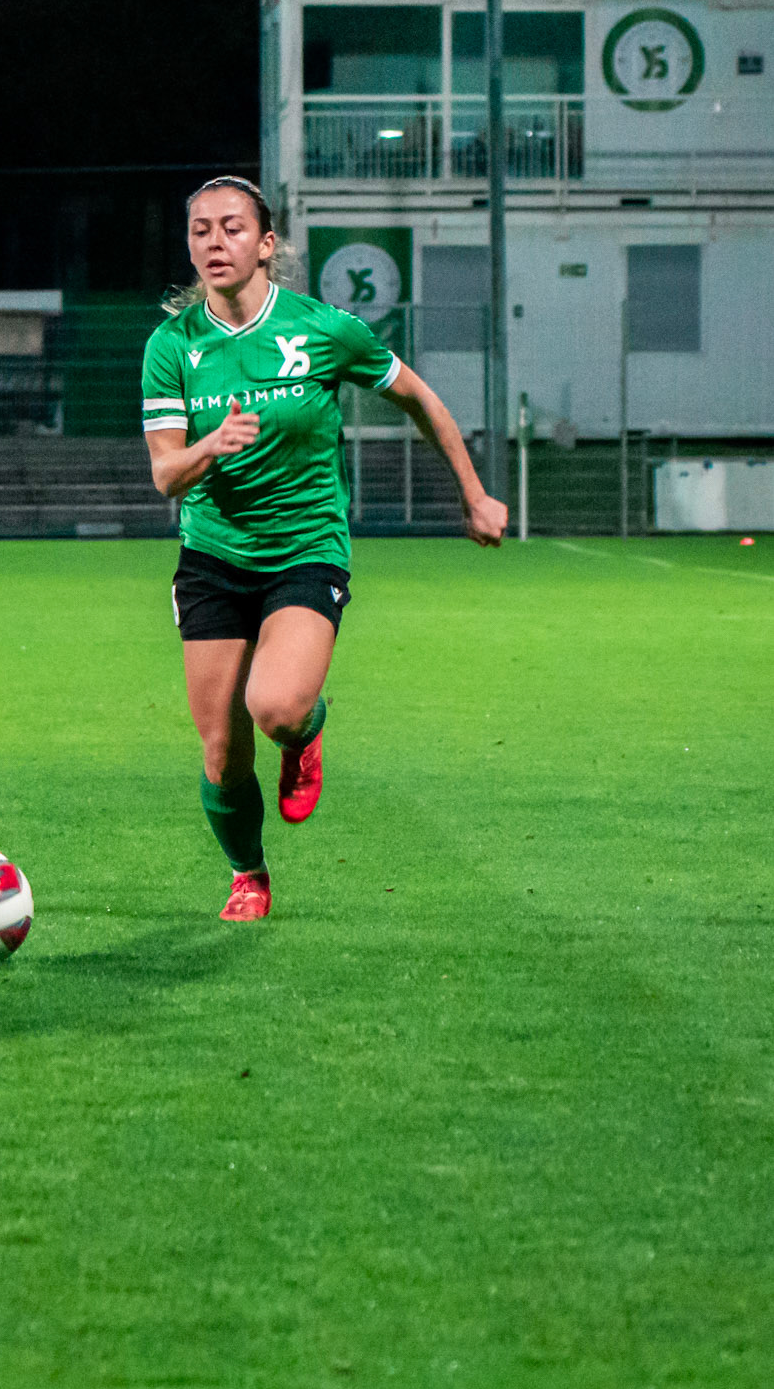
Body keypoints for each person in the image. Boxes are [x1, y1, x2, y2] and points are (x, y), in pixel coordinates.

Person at [141, 176, 507, 923]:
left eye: (232, 228)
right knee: (220, 752)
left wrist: (472, 493)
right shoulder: (171, 347)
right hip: (212, 557)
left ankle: (303, 733)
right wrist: (212, 445)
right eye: (201, 230)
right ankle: (248, 872)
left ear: (266, 245)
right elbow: (165, 474)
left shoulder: (322, 330)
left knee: (273, 708)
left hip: (305, 548)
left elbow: (419, 398)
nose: (214, 242)